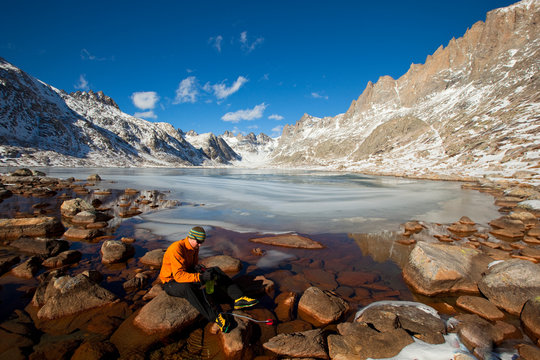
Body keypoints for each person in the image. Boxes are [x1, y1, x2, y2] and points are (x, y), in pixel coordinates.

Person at [159, 226, 258, 333]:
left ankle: (239, 298)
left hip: (185, 274)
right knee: (188, 287)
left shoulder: (194, 247)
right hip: (170, 282)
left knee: (214, 270)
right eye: (198, 241)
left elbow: (191, 266)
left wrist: (201, 270)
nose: (200, 244)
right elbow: (178, 276)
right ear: (191, 238)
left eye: (202, 241)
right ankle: (216, 318)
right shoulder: (176, 248)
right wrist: (200, 277)